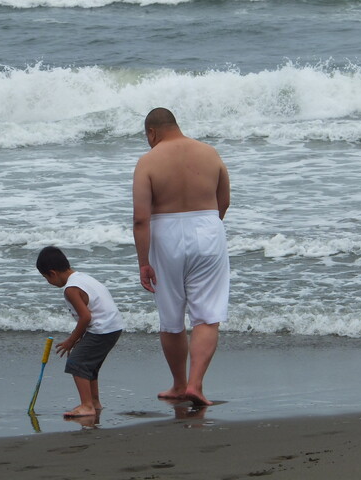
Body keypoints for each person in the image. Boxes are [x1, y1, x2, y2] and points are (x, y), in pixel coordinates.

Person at [132, 107, 230, 406]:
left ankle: (178, 384)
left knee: (171, 317)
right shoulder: (210, 153)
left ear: (152, 132)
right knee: (207, 315)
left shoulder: (148, 161)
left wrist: (143, 262)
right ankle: (195, 385)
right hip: (208, 228)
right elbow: (224, 200)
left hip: (166, 234)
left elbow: (140, 219)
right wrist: (207, 230)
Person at [36, 246, 123, 417]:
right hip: (113, 326)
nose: (48, 282)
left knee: (76, 363)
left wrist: (71, 340)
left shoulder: (71, 289)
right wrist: (79, 339)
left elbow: (86, 317)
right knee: (89, 366)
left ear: (52, 273)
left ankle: (87, 405)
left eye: (46, 278)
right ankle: (95, 402)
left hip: (102, 329)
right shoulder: (83, 278)